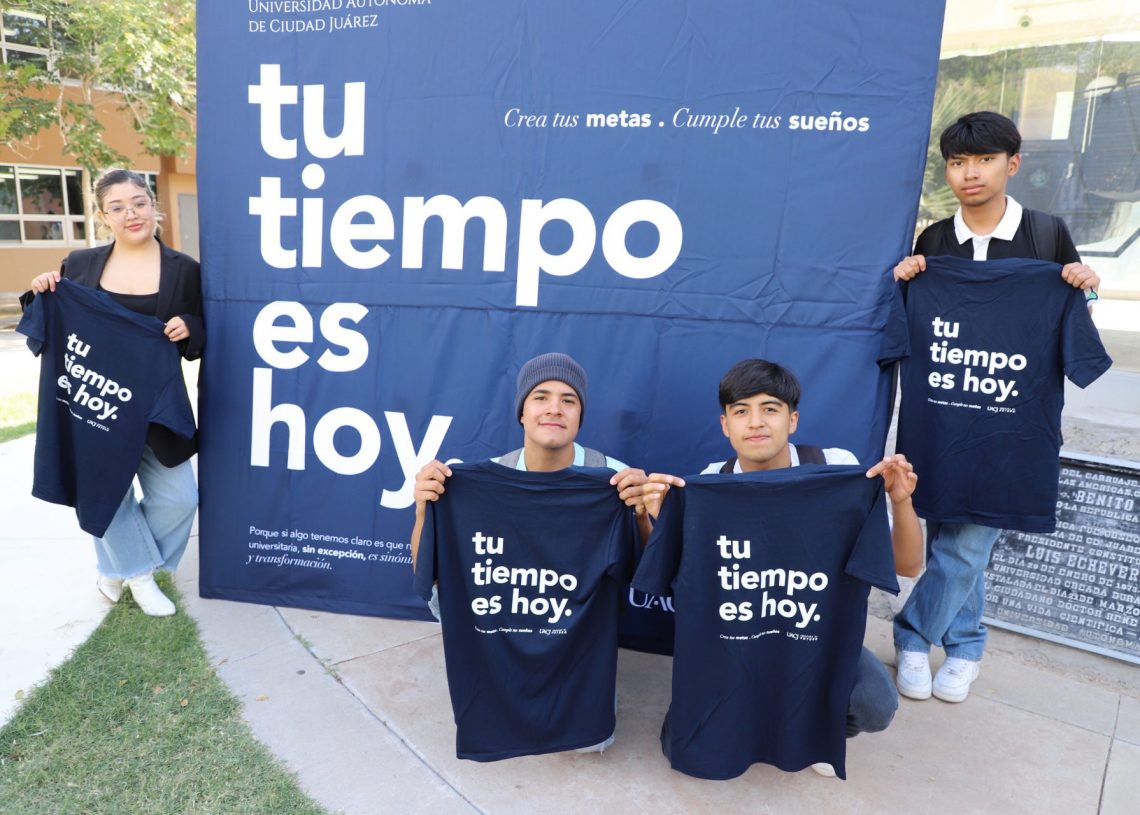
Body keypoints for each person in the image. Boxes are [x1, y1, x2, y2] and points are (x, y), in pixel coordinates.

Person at [890, 111, 1101, 703]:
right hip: (945, 414)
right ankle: (966, 645)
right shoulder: (934, 240)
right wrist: (906, 278)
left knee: (966, 542)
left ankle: (913, 636)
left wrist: (1085, 283)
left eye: (985, 160)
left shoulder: (1046, 233)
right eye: (958, 162)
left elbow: (1074, 313)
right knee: (948, 530)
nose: (971, 173)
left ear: (1013, 163)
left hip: (1011, 421)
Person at [641, 358, 923, 777]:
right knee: (708, 725)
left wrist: (901, 501)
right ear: (725, 425)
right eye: (741, 411)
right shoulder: (709, 483)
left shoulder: (835, 468)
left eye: (770, 409)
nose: (756, 422)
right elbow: (673, 575)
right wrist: (657, 516)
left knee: (874, 703)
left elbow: (908, 565)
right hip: (735, 638)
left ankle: (818, 729)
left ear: (793, 420)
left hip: (814, 637)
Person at [25, 168, 203, 617]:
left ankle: (115, 568)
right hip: (95, 404)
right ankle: (140, 577)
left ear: (153, 205)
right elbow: (55, 321)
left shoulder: (184, 270)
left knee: (181, 499)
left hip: (153, 407)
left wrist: (190, 327)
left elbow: (206, 326)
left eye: (139, 203)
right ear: (104, 216)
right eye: (118, 208)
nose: (131, 214)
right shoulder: (80, 264)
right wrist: (42, 289)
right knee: (107, 492)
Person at [411, 351, 654, 568]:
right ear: (522, 413)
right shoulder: (484, 481)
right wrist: (423, 511)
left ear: (580, 416)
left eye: (568, 401)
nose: (554, 409)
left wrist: (641, 518)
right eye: (540, 397)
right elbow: (430, 575)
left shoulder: (617, 479)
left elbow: (644, 573)